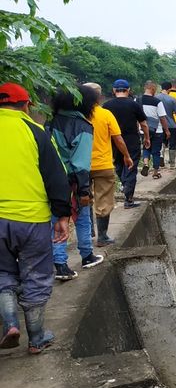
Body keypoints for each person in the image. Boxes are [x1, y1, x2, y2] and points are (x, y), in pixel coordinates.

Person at [0, 83, 70, 354]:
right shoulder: (36, 132)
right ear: (26, 105)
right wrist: (62, 214)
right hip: (31, 218)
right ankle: (37, 337)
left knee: (3, 272)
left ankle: (9, 324)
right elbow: (55, 176)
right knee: (36, 275)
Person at [47, 86, 104, 281]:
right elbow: (80, 164)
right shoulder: (82, 126)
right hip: (73, 181)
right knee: (82, 217)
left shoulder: (51, 122)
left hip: (51, 180)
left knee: (56, 220)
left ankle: (60, 264)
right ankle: (86, 255)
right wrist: (84, 190)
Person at [82, 82, 133, 247]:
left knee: (84, 198)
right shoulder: (105, 114)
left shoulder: (77, 115)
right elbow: (118, 138)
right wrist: (126, 156)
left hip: (81, 165)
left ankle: (88, 232)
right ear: (99, 96)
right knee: (103, 200)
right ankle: (102, 237)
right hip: (103, 164)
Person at [103, 79, 150, 209]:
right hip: (131, 141)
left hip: (113, 141)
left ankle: (125, 185)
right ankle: (128, 198)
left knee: (118, 165)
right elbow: (143, 124)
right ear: (128, 90)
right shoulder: (134, 105)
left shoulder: (106, 106)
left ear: (114, 90)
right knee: (131, 167)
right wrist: (147, 138)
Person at [138, 81, 170, 179]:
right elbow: (162, 118)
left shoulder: (137, 100)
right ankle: (155, 173)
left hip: (143, 130)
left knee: (146, 147)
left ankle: (146, 164)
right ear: (153, 89)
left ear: (145, 88)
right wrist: (167, 130)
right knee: (156, 151)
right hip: (157, 130)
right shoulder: (157, 102)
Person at [156, 82, 176, 168]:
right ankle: (172, 164)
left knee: (161, 142)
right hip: (171, 125)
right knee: (172, 144)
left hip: (159, 125)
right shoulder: (172, 99)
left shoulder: (155, 98)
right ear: (169, 89)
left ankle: (161, 158)